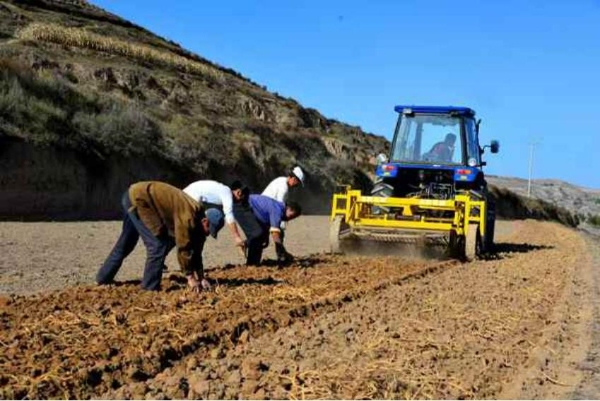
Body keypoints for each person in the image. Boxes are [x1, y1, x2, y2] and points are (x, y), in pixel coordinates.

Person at [96, 181, 224, 292]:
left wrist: (201, 277)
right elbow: (184, 246)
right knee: (158, 245)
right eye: (209, 230)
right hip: (139, 200)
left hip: (137, 197)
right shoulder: (188, 216)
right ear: (205, 222)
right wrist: (190, 277)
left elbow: (196, 249)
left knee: (127, 243)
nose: (207, 234)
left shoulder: (199, 218)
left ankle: (103, 278)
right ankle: (149, 288)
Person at [233, 194, 302, 267]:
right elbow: (275, 233)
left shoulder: (278, 207)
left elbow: (268, 226)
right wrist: (281, 252)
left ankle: (251, 256)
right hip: (242, 207)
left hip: (247, 208)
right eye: (291, 216)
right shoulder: (277, 210)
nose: (289, 219)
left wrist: (266, 238)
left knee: (260, 236)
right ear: (288, 208)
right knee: (258, 234)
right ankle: (252, 264)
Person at [183, 179, 248, 250]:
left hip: (188, 195)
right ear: (239, 192)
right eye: (241, 199)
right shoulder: (227, 193)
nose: (240, 201)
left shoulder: (222, 190)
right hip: (188, 198)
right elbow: (229, 215)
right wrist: (237, 237)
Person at [262, 166, 304, 241]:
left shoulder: (282, 181)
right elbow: (280, 205)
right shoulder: (283, 187)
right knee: (265, 236)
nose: (296, 186)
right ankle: (280, 251)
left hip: (266, 208)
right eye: (297, 184)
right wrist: (282, 225)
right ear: (294, 179)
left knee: (262, 236)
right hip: (265, 209)